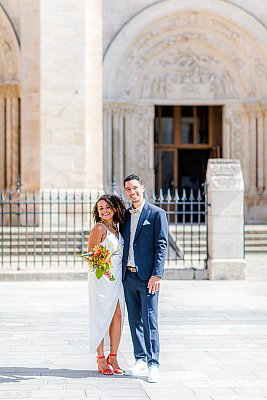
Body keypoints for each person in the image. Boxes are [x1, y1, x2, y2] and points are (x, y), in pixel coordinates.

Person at [121, 174, 168, 383]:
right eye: (128, 189)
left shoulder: (157, 214)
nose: (132, 192)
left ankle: (153, 364)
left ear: (142, 188)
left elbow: (162, 245)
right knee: (134, 320)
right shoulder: (125, 215)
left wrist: (157, 274)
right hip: (128, 276)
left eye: (134, 188)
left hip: (148, 277)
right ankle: (139, 359)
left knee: (150, 320)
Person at [87, 194, 126, 375]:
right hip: (102, 277)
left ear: (115, 207)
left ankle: (114, 355)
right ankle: (100, 357)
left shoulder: (117, 228)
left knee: (117, 315)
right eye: (100, 208)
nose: (104, 210)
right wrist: (104, 267)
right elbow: (90, 256)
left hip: (117, 277)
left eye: (107, 207)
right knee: (102, 315)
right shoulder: (99, 228)